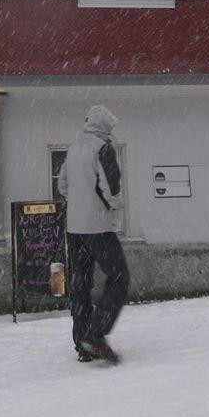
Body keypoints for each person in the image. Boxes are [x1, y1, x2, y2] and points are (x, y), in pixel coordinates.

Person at [57, 105, 128, 362]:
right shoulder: (103, 148)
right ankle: (96, 334)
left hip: (75, 228)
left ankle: (82, 342)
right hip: (98, 225)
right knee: (119, 277)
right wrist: (115, 207)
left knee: (81, 283)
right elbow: (111, 187)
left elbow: (62, 184)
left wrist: (78, 202)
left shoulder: (75, 148)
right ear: (105, 127)